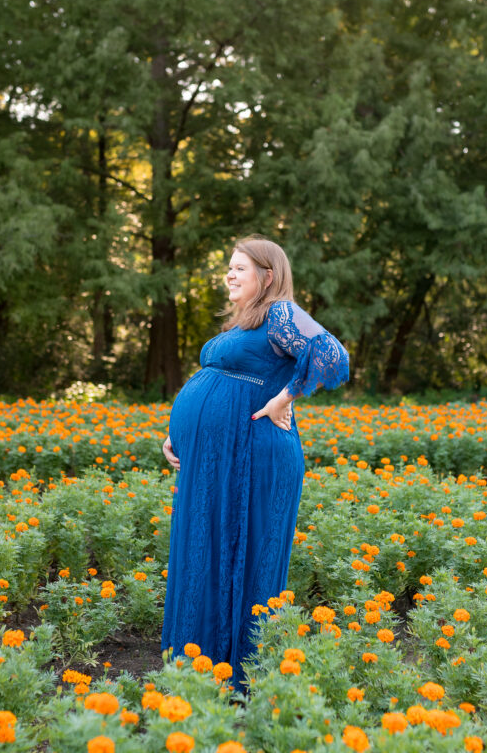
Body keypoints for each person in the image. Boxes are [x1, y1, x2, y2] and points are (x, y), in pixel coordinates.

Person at [160, 234, 349, 689]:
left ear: (267, 276)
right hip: (215, 458)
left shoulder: (280, 313)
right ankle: (202, 667)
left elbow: (333, 356)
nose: (229, 273)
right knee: (208, 547)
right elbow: (218, 381)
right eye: (229, 266)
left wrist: (286, 397)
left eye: (239, 267)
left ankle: (240, 676)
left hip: (252, 456)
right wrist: (179, 432)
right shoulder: (244, 326)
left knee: (241, 553)